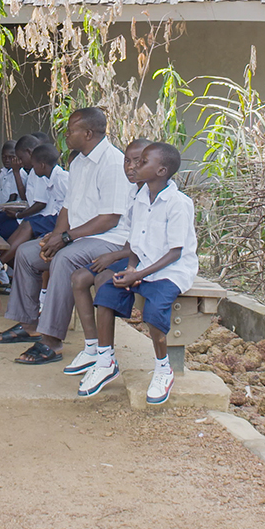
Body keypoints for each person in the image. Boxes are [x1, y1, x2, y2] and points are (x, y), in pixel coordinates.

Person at [0, 107, 130, 366]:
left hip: (110, 239)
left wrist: (65, 239)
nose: (66, 134)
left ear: (88, 133)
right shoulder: (78, 161)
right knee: (28, 253)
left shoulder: (112, 163)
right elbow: (67, 207)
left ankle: (52, 341)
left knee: (63, 259)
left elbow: (110, 218)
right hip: (80, 236)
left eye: (71, 129)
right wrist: (53, 237)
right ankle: (29, 323)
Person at [74, 143, 197, 404]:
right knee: (106, 293)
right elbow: (135, 241)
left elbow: (175, 252)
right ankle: (106, 359)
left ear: (161, 170)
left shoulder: (178, 203)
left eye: (142, 163)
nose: (134, 167)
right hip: (143, 266)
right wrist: (131, 268)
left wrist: (138, 273)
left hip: (170, 271)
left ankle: (164, 368)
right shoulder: (140, 198)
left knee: (154, 313)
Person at [64, 137, 150, 367]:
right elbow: (131, 236)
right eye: (127, 161)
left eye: (139, 162)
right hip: (128, 253)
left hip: (149, 260)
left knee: (104, 278)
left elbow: (151, 243)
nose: (131, 167)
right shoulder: (134, 192)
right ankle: (91, 347)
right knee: (79, 278)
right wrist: (119, 254)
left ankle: (106, 356)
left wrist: (115, 256)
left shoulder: (160, 197)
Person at [0, 143, 69, 253]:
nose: (32, 168)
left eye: (34, 165)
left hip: (62, 219)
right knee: (26, 223)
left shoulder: (62, 179)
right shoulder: (53, 178)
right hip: (56, 217)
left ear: (42, 165)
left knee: (28, 225)